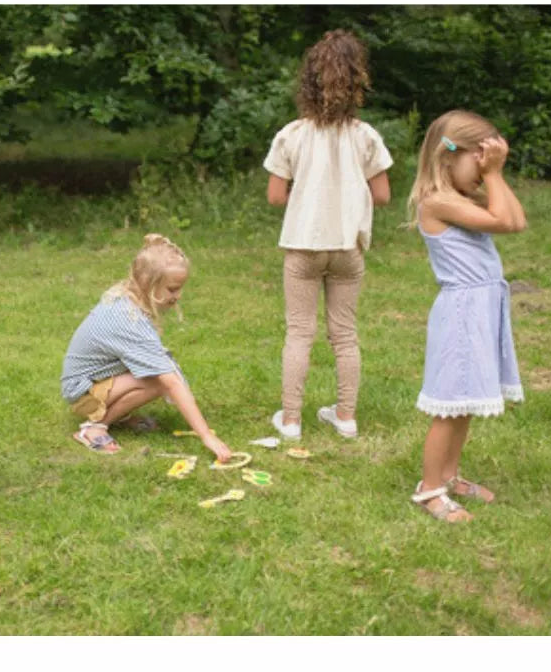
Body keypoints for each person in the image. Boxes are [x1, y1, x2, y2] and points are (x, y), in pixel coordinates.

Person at [263, 29, 393, 441]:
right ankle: (346, 416)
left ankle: (291, 420)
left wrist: (308, 197)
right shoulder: (365, 136)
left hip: (303, 245)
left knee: (300, 333)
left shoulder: (292, 134)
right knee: (345, 334)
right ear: (357, 82)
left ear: (309, 82)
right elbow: (383, 195)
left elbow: (275, 196)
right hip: (347, 248)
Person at [407, 110, 526, 522]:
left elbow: (516, 220)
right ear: (447, 157)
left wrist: (493, 174)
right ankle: (429, 489)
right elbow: (503, 221)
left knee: (466, 401)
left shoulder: (460, 199)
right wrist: (494, 175)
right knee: (449, 406)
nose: (482, 176)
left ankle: (450, 475)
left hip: (480, 310)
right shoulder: (437, 202)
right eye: (478, 166)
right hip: (461, 314)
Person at [61, 234, 233, 463]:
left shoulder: (127, 298)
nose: (178, 296)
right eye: (172, 289)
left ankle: (118, 415)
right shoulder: (129, 322)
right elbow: (170, 381)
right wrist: (206, 436)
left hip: (94, 380)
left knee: (159, 373)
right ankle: (94, 428)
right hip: (81, 391)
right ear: (147, 283)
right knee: (157, 382)